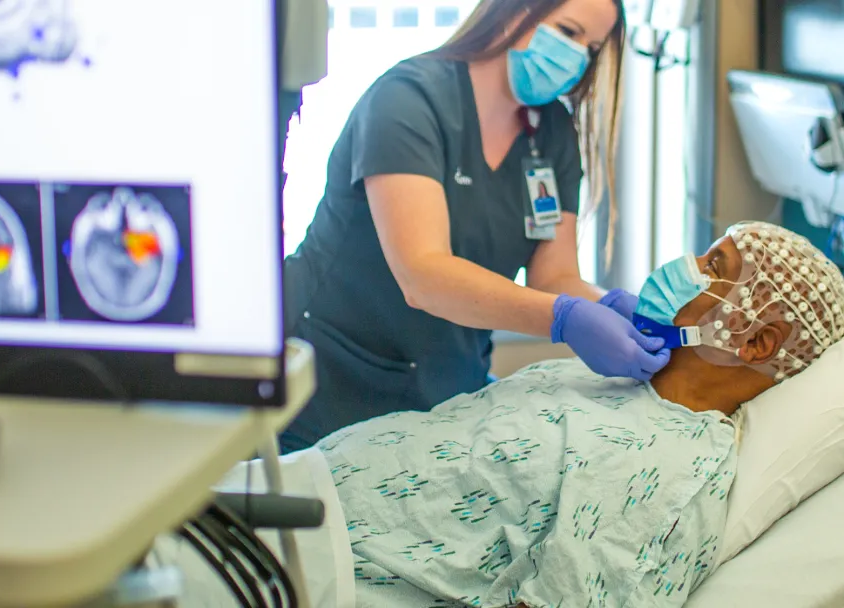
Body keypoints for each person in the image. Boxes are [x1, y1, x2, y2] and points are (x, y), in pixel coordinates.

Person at [315, 221, 844, 607]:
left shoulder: (669, 475)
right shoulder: (610, 374)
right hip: (311, 486)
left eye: (713, 267)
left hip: (314, 562)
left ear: (756, 341)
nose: (688, 265)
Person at [281, 0, 668, 453]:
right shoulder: (407, 100)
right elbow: (423, 275)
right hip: (326, 379)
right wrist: (564, 319)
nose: (576, 57)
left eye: (592, 47)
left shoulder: (552, 134)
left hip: (443, 392)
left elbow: (554, 277)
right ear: (512, 10)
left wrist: (614, 307)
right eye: (567, 31)